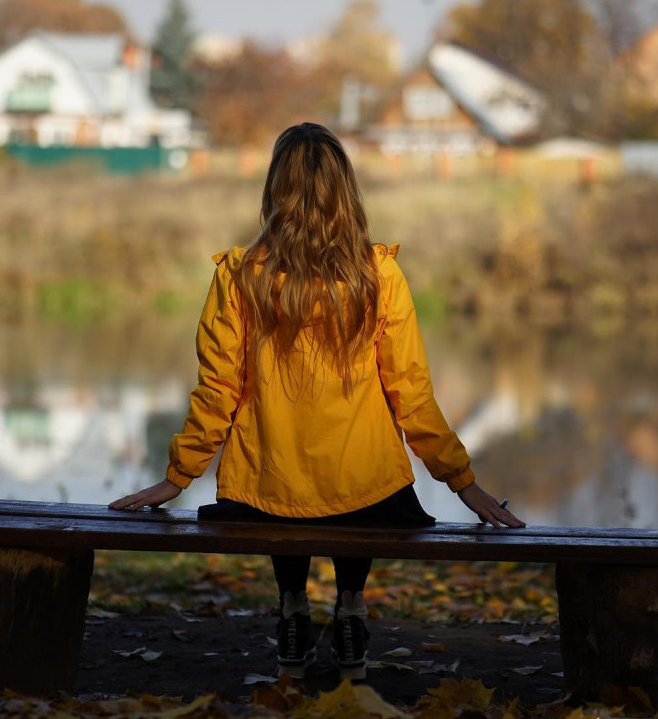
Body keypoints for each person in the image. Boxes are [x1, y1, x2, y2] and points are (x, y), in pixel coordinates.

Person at [109, 122, 524, 681]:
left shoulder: (239, 278)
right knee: (357, 484)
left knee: (284, 485)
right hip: (370, 499)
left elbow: (217, 392)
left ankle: (292, 608)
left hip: (263, 497)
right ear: (346, 192)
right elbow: (413, 395)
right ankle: (350, 605)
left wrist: (178, 478)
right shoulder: (378, 275)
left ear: (273, 192)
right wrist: (462, 481)